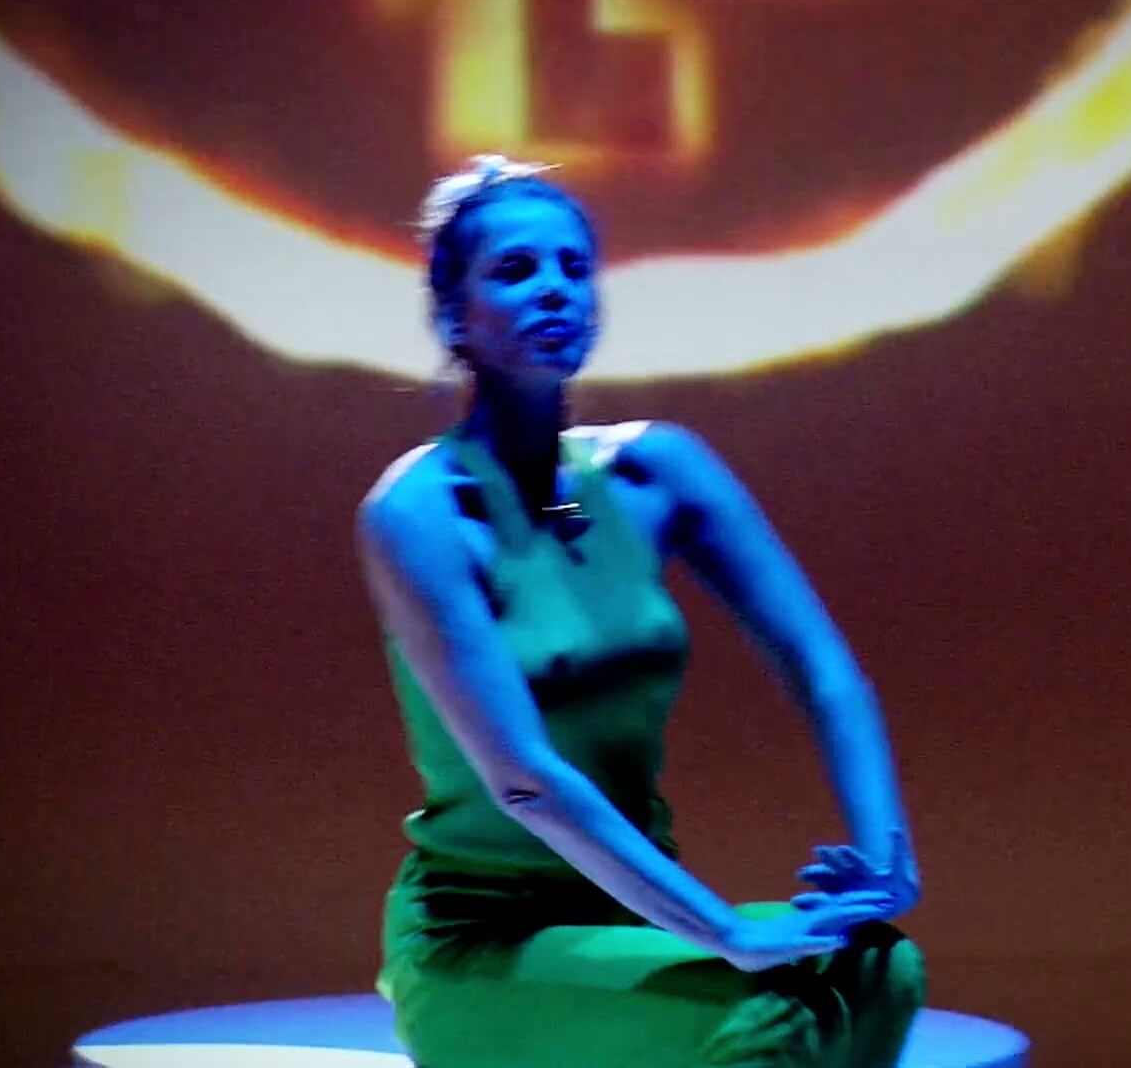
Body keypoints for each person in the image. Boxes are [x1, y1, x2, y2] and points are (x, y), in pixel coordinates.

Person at [356, 155, 926, 1068]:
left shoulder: (656, 469)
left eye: (574, 267)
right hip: (484, 938)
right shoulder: (419, 511)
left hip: (630, 919)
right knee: (764, 1015)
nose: (555, 288)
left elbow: (823, 671)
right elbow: (524, 780)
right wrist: (725, 931)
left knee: (880, 965)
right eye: (515, 269)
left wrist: (884, 855)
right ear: (453, 313)